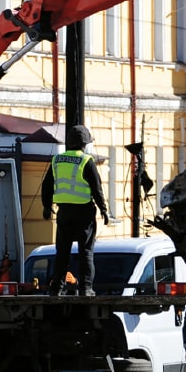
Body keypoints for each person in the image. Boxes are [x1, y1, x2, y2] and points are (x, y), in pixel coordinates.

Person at [40, 125, 111, 295]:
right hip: (84, 213)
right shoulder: (86, 161)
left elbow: (47, 185)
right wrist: (103, 209)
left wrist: (46, 206)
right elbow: (96, 188)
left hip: (64, 212)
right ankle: (86, 288)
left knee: (62, 252)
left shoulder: (57, 160)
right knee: (85, 251)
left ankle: (56, 288)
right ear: (84, 144)